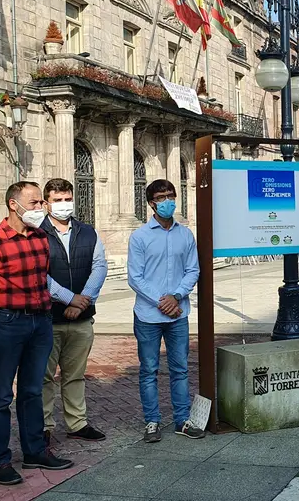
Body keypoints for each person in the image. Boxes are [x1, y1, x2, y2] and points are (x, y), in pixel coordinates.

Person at [0, 182, 74, 487]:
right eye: (34, 203)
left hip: (40, 322)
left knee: (32, 391)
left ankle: (35, 452)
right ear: (13, 205)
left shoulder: (41, 238)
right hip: (9, 322)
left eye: (41, 202)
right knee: (1, 394)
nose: (40, 208)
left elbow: (43, 279)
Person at [127, 179, 204, 442]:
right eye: (161, 197)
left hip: (178, 314)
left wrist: (177, 296)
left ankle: (182, 420)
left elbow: (193, 270)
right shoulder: (140, 237)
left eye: (171, 195)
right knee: (149, 370)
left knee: (180, 368)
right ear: (151, 203)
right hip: (149, 315)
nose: (167, 201)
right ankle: (152, 421)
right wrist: (163, 301)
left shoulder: (186, 235)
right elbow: (135, 278)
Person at [41, 178, 108, 445]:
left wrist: (83, 301)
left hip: (81, 319)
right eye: (57, 200)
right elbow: (39, 274)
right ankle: (44, 426)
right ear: (46, 203)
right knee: (44, 377)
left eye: (67, 199)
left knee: (75, 375)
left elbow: (99, 266)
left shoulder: (87, 232)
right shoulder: (37, 233)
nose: (63, 204)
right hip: (48, 319)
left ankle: (77, 423)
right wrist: (70, 299)